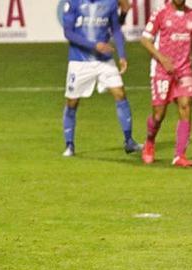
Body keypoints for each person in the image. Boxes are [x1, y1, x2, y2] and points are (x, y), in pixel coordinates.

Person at [61, 0, 143, 157]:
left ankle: (129, 141)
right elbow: (68, 33)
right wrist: (94, 45)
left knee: (120, 94)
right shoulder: (73, 3)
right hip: (80, 61)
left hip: (104, 60)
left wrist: (122, 55)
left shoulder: (110, 3)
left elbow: (116, 29)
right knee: (72, 102)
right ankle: (69, 145)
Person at [140, 0, 192, 166]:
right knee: (158, 115)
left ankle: (180, 155)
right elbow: (145, 40)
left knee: (186, 106)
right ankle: (149, 143)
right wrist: (162, 59)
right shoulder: (161, 13)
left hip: (184, 69)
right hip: (161, 70)